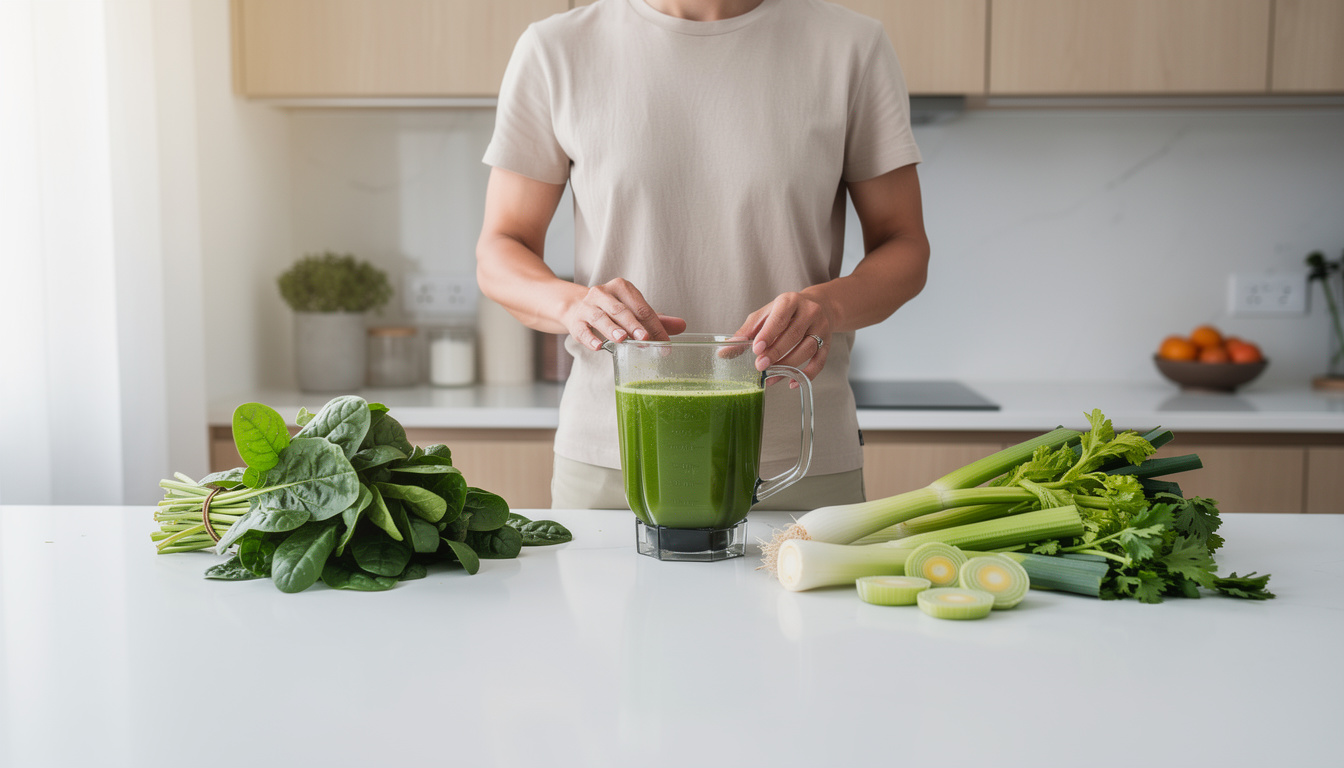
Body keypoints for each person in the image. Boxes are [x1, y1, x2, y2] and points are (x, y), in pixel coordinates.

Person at [476, 0, 930, 509]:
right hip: (614, 458)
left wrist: (830, 306)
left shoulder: (851, 47)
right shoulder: (556, 49)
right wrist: (571, 306)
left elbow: (904, 244)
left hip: (799, 460)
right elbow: (501, 248)